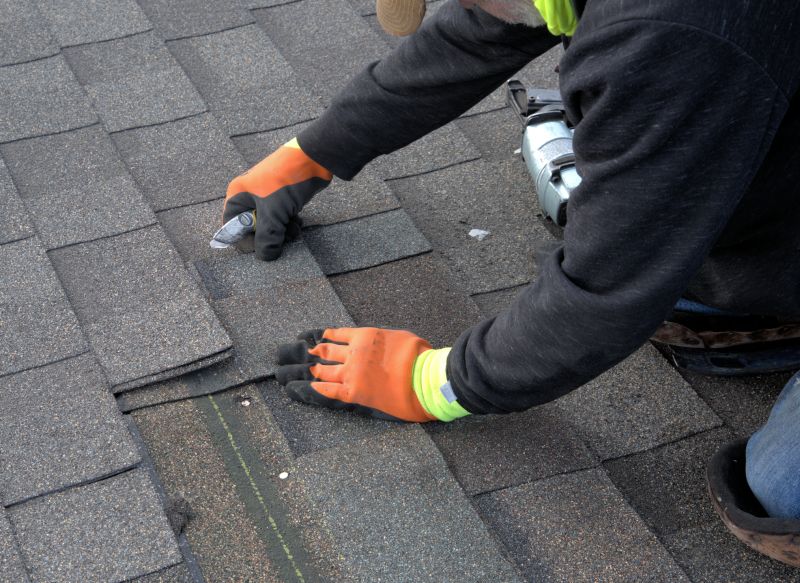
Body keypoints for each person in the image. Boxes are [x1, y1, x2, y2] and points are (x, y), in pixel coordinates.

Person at [221, 0, 800, 563]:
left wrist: (432, 382)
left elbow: (603, 294)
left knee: (779, 494)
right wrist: (314, 153)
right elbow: (477, 33)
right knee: (671, 259)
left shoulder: (674, 30)